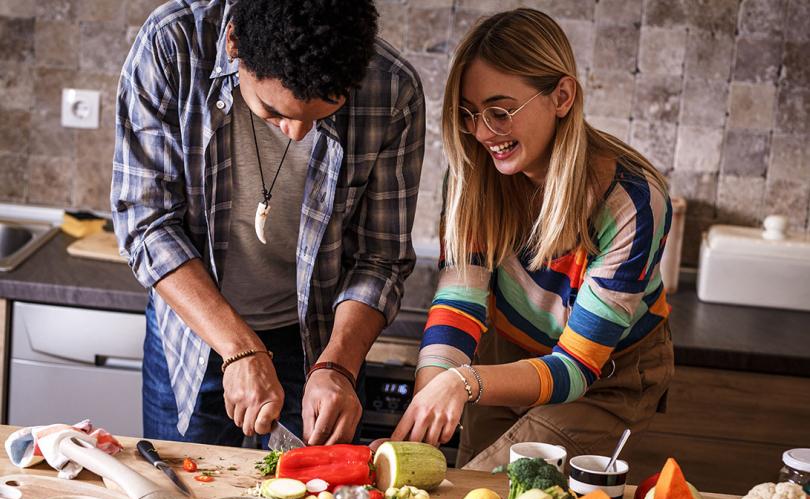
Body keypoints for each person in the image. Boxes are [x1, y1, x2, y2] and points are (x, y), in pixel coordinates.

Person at [111, 0, 425, 448]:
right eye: (274, 112)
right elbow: (146, 223)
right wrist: (240, 347)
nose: (295, 133)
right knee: (182, 487)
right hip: (193, 333)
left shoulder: (392, 88)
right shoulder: (171, 45)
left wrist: (336, 367)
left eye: (321, 115)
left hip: (316, 340)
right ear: (234, 42)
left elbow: (381, 258)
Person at [391, 8, 673, 470]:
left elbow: (578, 366)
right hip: (503, 350)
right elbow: (460, 301)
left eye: (500, 111)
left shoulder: (633, 201)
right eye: (470, 114)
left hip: (605, 373)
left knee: (496, 484)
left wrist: (462, 383)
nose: (483, 133)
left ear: (561, 96)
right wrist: (432, 388)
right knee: (459, 485)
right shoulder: (470, 175)